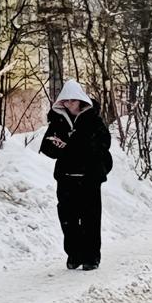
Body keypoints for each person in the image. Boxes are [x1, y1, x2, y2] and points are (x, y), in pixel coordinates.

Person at [41, 78, 112, 270]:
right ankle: (74, 254)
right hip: (66, 178)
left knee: (90, 218)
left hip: (89, 178)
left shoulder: (93, 120)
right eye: (66, 101)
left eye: (72, 101)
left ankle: (91, 257)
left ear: (81, 101)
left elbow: (104, 143)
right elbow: (47, 147)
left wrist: (74, 146)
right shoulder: (58, 120)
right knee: (68, 219)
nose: (69, 104)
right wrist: (57, 145)